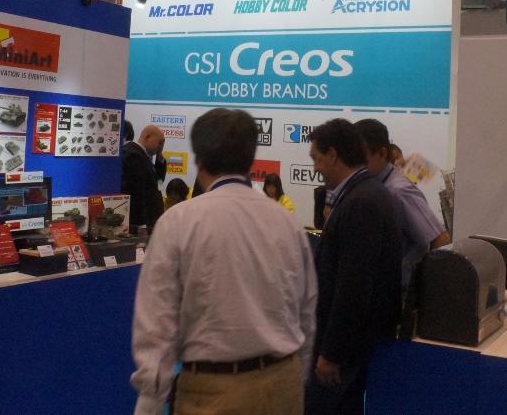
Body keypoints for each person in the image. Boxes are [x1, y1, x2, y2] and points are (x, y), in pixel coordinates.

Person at [130, 108, 317, 415]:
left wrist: (149, 404)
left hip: (213, 390)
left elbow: (157, 324)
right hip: (284, 383)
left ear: (199, 159)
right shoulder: (287, 222)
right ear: (251, 157)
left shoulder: (178, 221)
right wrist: (297, 377)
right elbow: (306, 310)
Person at [305, 119, 401, 415]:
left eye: (316, 159)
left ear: (333, 155)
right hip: (352, 347)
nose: (316, 168)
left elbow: (353, 285)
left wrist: (331, 353)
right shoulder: (365, 194)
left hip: (345, 353)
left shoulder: (362, 202)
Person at [355, 119, 451, 290]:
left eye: (362, 157)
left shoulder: (398, 192)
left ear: (382, 153)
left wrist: (407, 279)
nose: (355, 165)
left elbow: (440, 240)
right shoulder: (376, 187)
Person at [122, 125, 165, 232]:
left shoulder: (144, 157)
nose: (160, 146)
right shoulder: (134, 156)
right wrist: (142, 225)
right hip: (142, 225)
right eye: (159, 142)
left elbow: (159, 183)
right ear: (147, 137)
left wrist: (159, 156)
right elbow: (137, 195)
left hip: (151, 222)